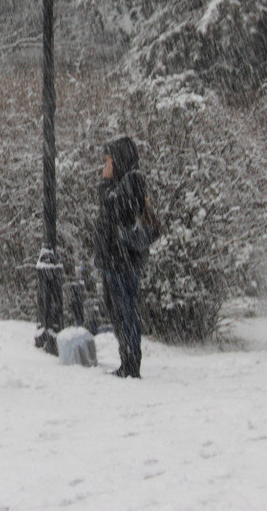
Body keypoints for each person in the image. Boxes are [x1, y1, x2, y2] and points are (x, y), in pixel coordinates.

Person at [93, 135, 154, 378]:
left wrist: (105, 185)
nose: (105, 167)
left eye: (108, 161)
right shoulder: (126, 182)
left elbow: (115, 209)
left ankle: (130, 362)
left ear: (117, 161)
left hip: (122, 261)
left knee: (124, 310)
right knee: (120, 310)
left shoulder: (130, 182)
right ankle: (127, 359)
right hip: (117, 260)